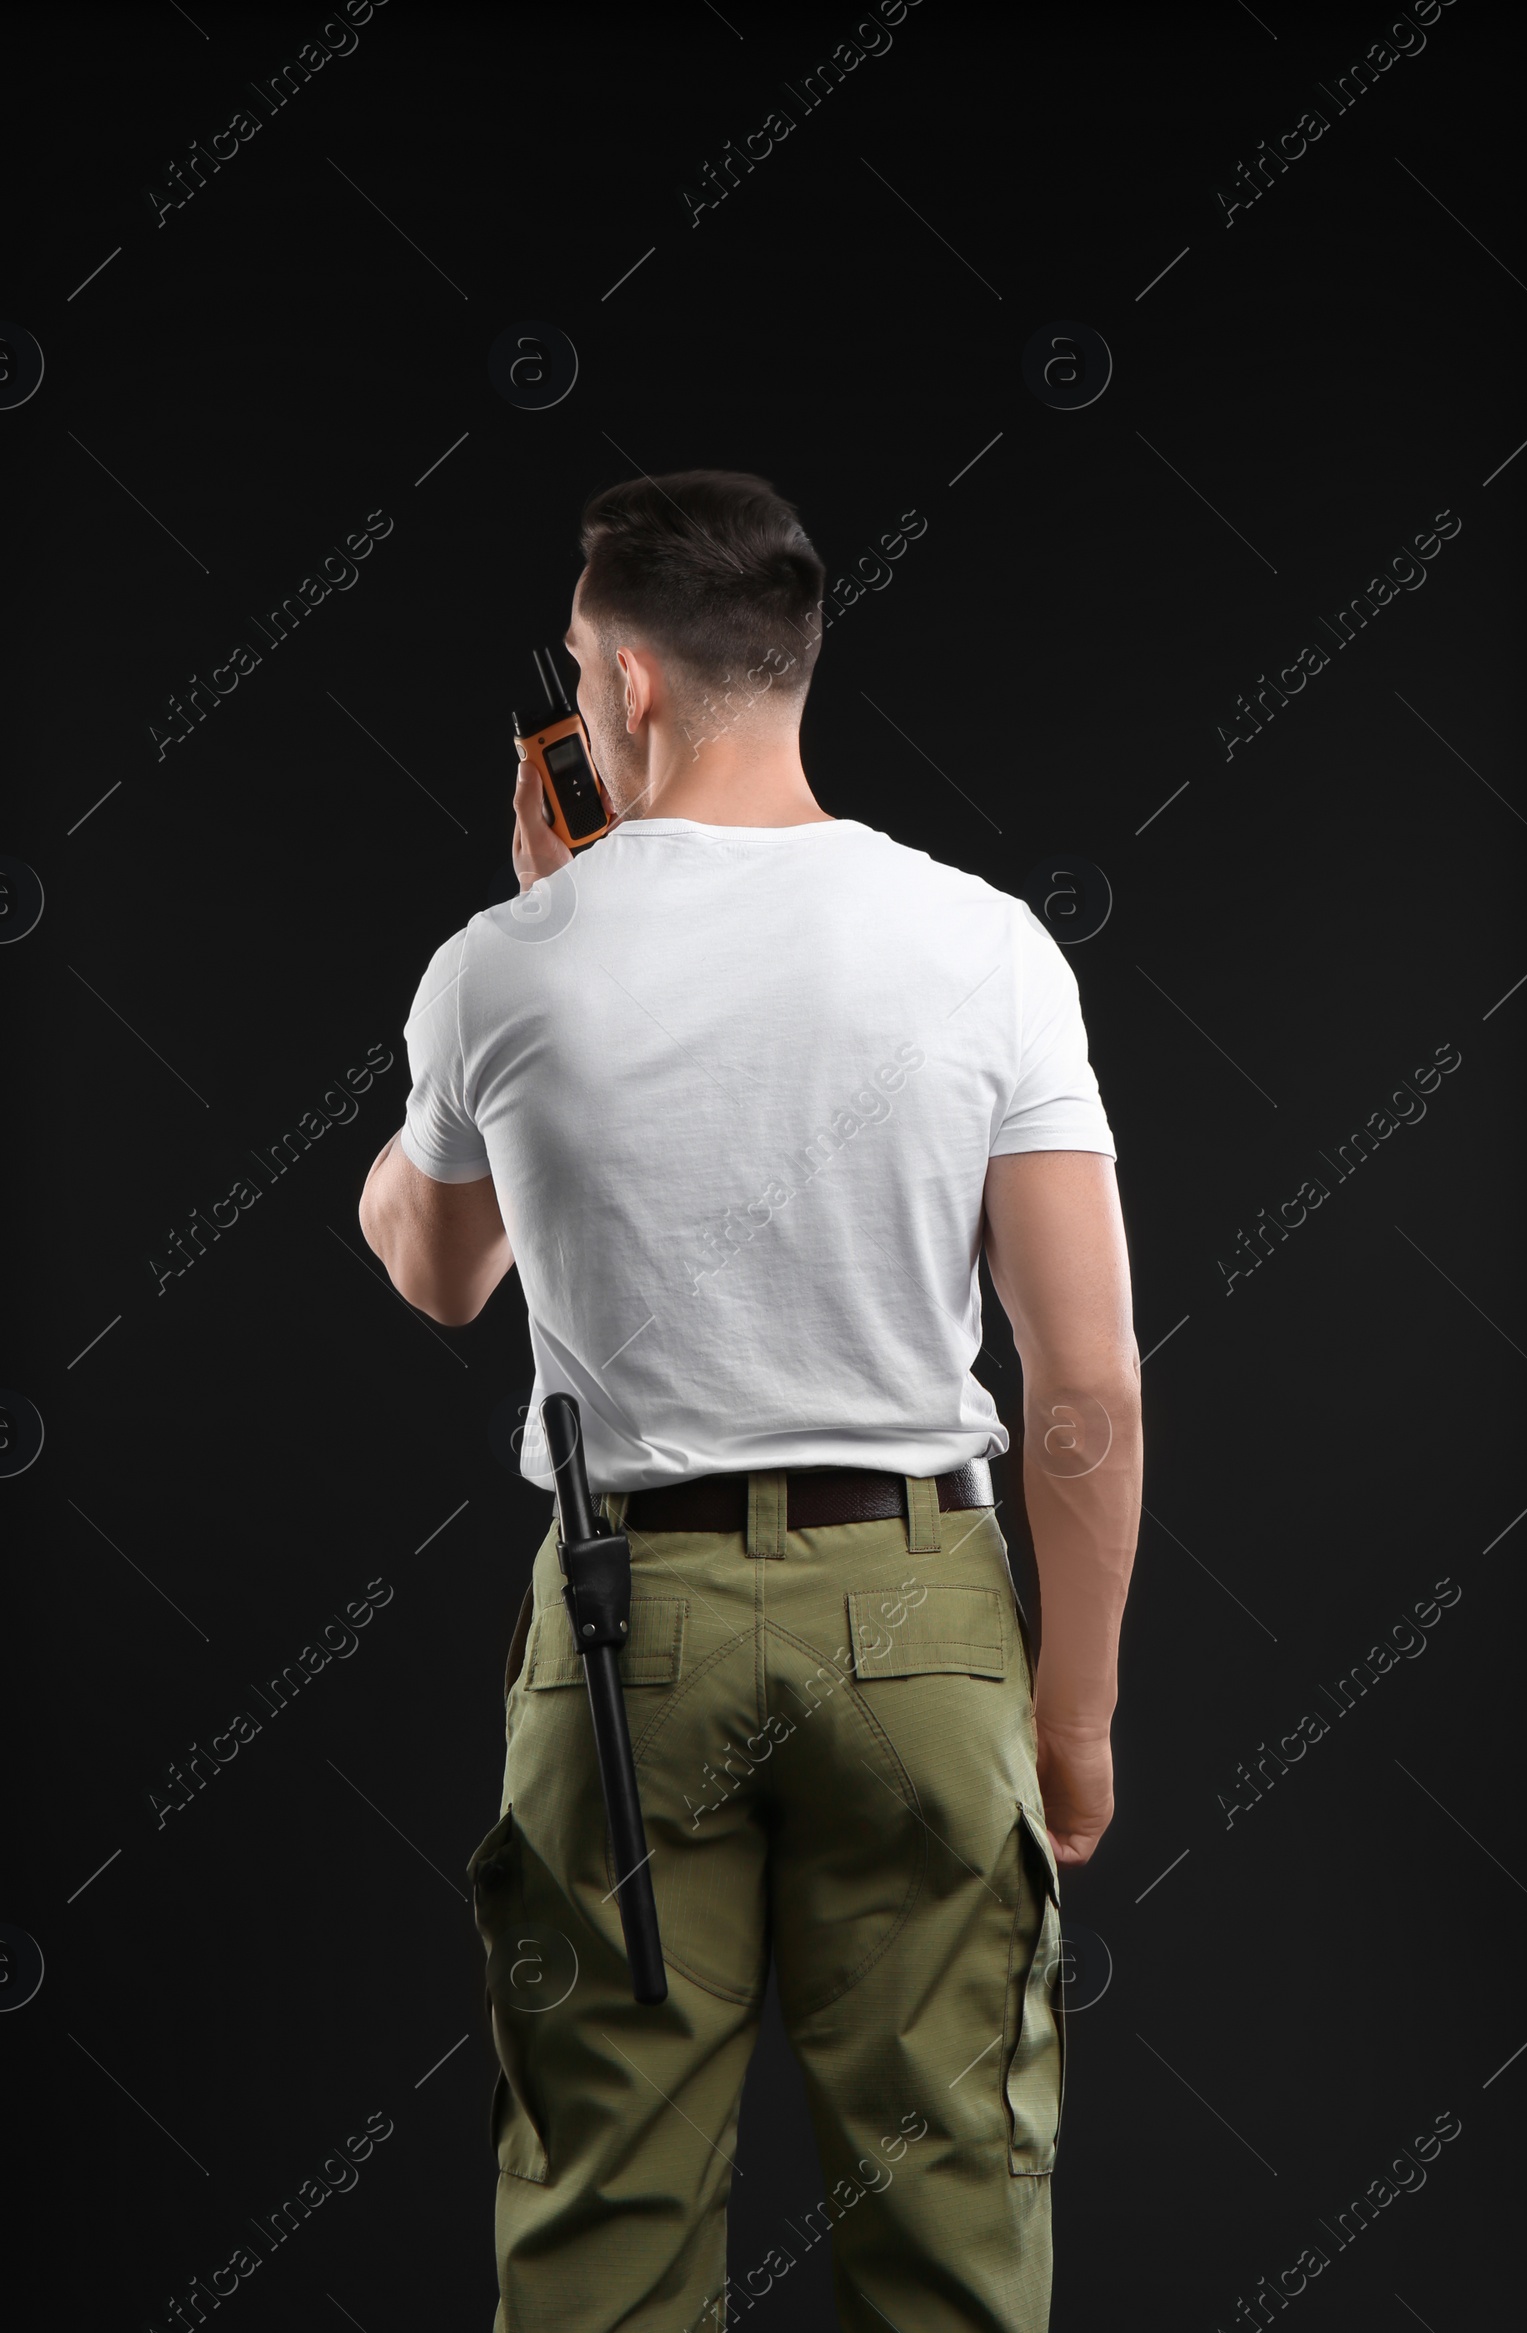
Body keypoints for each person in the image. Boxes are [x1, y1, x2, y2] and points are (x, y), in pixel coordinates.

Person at [357, 470, 1143, 2333]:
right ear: (786, 660)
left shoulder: (499, 971)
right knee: (953, 2229)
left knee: (603, 2232)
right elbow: (1087, 1384)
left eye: (575, 665)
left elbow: (434, 1266)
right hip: (924, 1617)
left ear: (622, 687)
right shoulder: (990, 947)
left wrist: (524, 947)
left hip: (635, 1631)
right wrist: (1079, 1716)